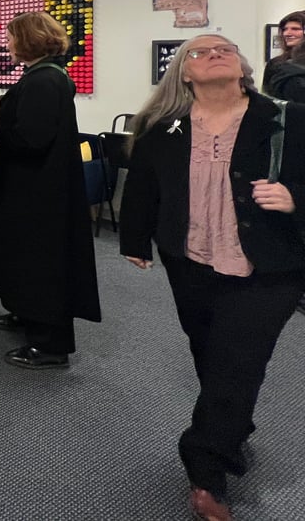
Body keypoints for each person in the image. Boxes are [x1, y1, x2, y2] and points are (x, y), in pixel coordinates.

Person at [120, 34, 305, 521]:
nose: (214, 54)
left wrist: (295, 198)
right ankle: (231, 425)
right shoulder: (163, 127)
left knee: (237, 362)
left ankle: (205, 472)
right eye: (199, 52)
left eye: (224, 48)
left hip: (268, 267)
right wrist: (135, 240)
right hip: (192, 260)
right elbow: (143, 187)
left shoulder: (288, 118)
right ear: (183, 72)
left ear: (242, 64)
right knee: (210, 354)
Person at [0, 11, 101, 370]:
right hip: (32, 186)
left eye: (12, 37)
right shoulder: (43, 76)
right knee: (24, 258)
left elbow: (31, 139)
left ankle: (50, 344)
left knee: (41, 262)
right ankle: (26, 314)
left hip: (37, 191)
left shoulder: (43, 81)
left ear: (29, 39)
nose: (8, 44)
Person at [260, 10, 305, 94]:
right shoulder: (275, 63)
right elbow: (266, 96)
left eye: (295, 29)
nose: (287, 33)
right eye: (284, 29)